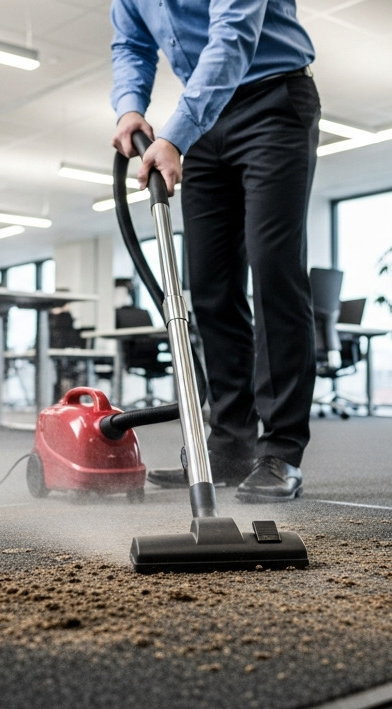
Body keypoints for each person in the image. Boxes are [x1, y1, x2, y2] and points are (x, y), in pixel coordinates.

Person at [110, 0, 320, 502]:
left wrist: (174, 135)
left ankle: (282, 451)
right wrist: (129, 106)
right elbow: (131, 44)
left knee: (273, 271)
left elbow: (233, 36)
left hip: (272, 101)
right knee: (209, 287)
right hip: (203, 120)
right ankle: (228, 447)